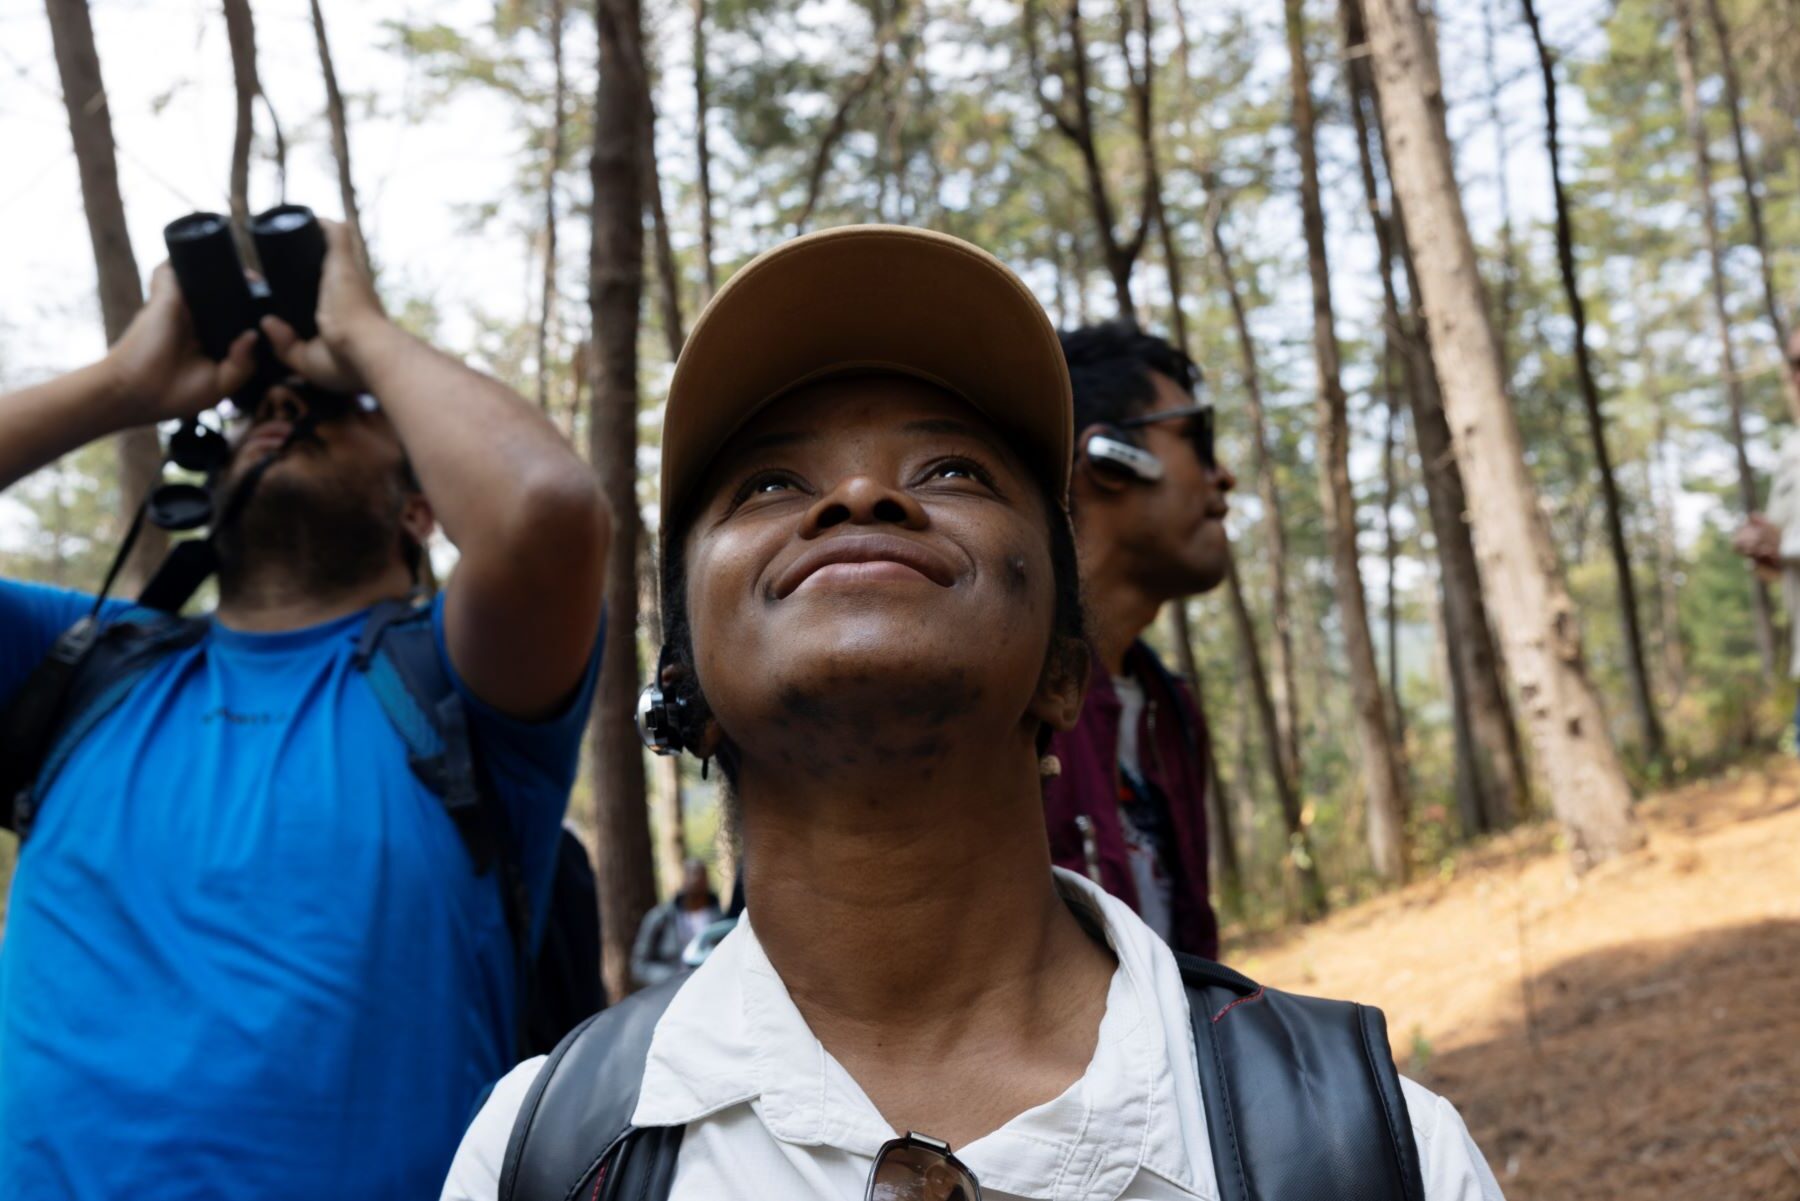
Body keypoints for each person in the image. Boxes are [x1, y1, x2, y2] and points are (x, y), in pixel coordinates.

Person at [439, 225, 1502, 1200]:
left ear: (1063, 670)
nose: (858, 495)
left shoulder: (1381, 1149)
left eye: (951, 469)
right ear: (687, 689)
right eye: (767, 484)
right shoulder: (537, 1154)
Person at [0, 222, 608, 1199]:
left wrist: (361, 332)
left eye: (332, 408)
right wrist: (126, 382)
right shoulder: (84, 669)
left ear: (421, 510)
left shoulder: (456, 688)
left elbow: (546, 508)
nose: (280, 402)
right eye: (259, 408)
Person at [1043, 322, 1234, 960]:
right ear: (1109, 459)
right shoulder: (994, 709)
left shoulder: (1170, 712)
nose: (1223, 476)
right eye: (1196, 439)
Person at [1732, 333, 1800, 746]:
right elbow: (1779, 554)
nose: (1799, 373)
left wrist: (1786, 544)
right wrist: (1760, 547)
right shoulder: (1793, 450)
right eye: (1794, 362)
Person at [631, 857, 724, 987]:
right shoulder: (661, 918)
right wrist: (671, 977)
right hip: (670, 991)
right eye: (691, 873)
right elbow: (639, 966)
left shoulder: (721, 920)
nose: (696, 879)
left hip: (711, 986)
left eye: (700, 873)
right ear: (682, 878)